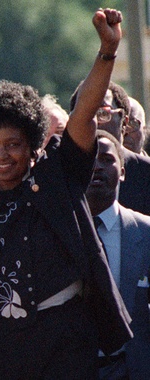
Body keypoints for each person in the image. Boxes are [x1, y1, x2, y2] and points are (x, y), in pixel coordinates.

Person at [0, 9, 132, 379]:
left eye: (13, 144)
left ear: (33, 145)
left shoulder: (58, 176)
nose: (2, 155)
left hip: (63, 342)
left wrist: (107, 50)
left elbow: (84, 114)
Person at [86, 130, 150, 379]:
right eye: (90, 159)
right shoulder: (59, 233)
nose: (97, 167)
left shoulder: (145, 233)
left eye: (107, 159)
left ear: (123, 171)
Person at [71, 81, 150, 216]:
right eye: (84, 113)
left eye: (102, 113)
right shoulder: (58, 173)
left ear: (124, 122)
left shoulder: (146, 175)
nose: (93, 121)